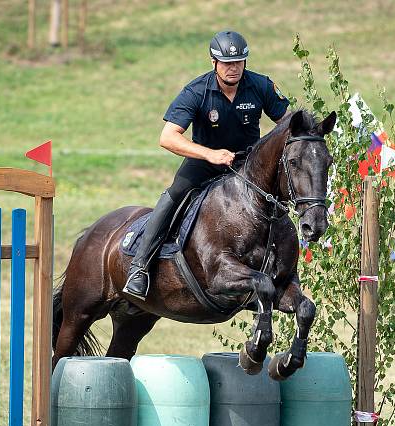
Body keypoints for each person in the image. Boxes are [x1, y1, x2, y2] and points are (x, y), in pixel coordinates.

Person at [123, 30, 290, 301]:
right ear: (213, 62)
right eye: (226, 63)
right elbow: (167, 137)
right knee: (174, 195)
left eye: (238, 62)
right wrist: (209, 154)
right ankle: (140, 267)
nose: (233, 68)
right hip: (205, 164)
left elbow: (288, 122)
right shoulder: (197, 91)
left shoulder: (261, 86)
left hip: (247, 167)